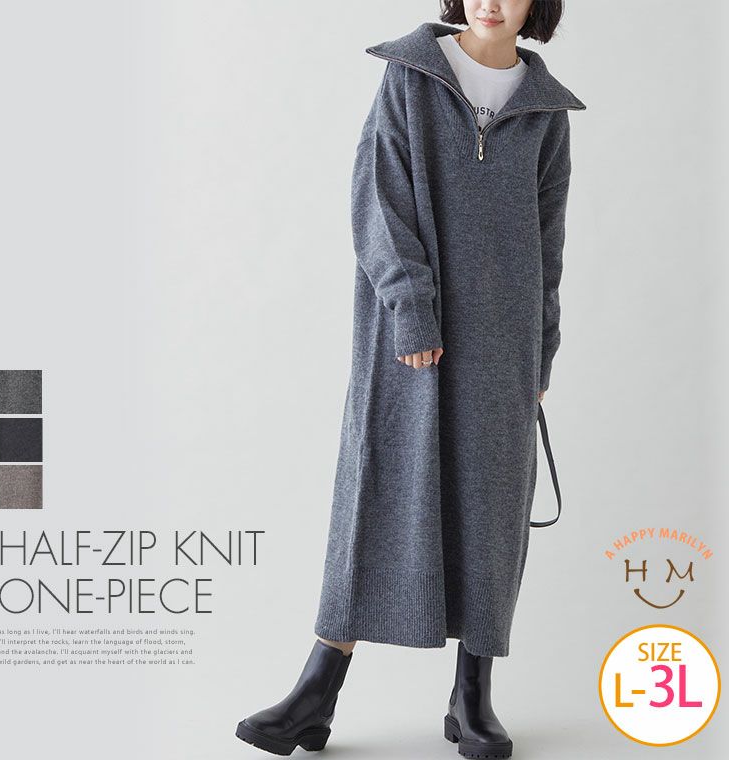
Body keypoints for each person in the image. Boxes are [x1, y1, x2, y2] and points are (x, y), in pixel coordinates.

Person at [236, 1, 585, 756]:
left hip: (504, 344)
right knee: (379, 492)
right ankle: (316, 690)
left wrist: (542, 351)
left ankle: (471, 698)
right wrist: (411, 307)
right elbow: (378, 199)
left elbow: (548, 241)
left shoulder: (547, 112)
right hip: (409, 338)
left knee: (491, 514)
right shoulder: (410, 76)